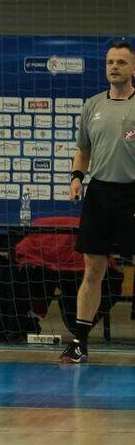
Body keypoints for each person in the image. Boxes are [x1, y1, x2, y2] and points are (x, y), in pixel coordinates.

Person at [60, 40, 135, 364]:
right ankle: (79, 343)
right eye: (110, 62)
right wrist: (77, 177)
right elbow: (83, 150)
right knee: (93, 269)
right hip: (100, 194)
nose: (114, 67)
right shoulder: (92, 105)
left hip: (132, 193)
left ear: (133, 68)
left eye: (121, 62)